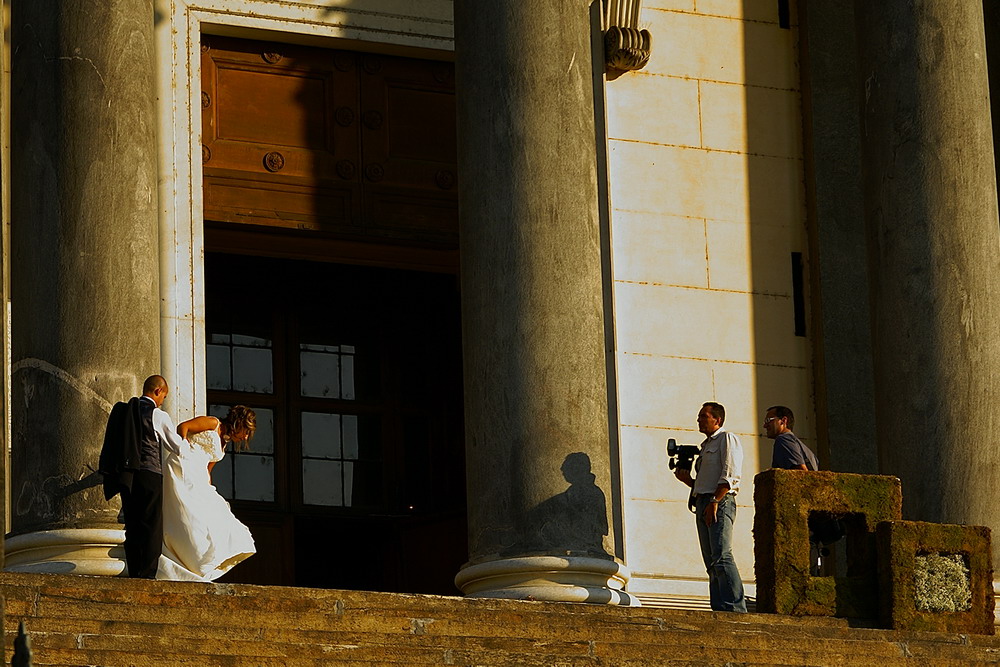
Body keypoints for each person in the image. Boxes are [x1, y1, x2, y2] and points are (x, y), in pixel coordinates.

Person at [156, 405, 258, 581]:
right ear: (239, 423)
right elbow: (183, 427)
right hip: (183, 465)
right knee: (186, 514)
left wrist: (207, 488)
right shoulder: (213, 423)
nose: (246, 436)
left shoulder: (224, 444)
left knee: (215, 513)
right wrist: (184, 449)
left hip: (198, 474)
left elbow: (208, 469)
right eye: (246, 431)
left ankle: (201, 558)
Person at [99, 375, 185, 579]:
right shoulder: (158, 414)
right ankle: (147, 573)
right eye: (164, 395)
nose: (163, 400)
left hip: (128, 476)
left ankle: (134, 568)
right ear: (157, 391)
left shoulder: (126, 411)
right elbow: (176, 446)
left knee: (133, 523)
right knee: (151, 524)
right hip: (150, 475)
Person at [673, 402, 747, 613]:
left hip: (720, 501)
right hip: (703, 500)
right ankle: (720, 608)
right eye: (699, 416)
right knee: (711, 561)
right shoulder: (705, 447)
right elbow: (705, 481)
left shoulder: (727, 438)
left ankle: (736, 608)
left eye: (704, 416)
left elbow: (730, 474)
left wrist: (715, 501)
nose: (699, 419)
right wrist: (688, 481)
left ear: (718, 420)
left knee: (722, 556)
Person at [764, 405, 818, 471]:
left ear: (783, 421)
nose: (765, 426)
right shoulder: (806, 450)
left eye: (768, 420)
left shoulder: (783, 440)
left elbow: (801, 472)